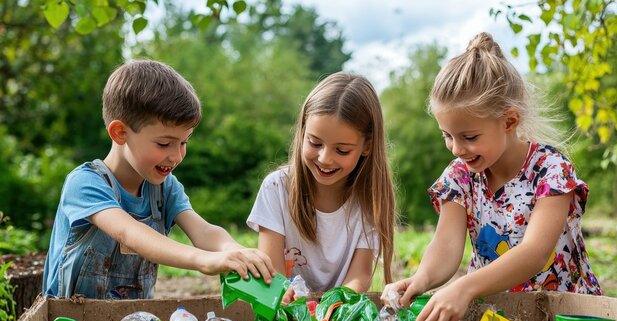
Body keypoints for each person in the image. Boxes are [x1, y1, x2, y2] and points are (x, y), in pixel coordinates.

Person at [382, 32, 601, 321]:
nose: (457, 149)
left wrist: (464, 287)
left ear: (509, 121)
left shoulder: (550, 170)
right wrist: (422, 279)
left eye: (469, 137)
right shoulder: (460, 176)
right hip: (496, 319)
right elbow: (446, 245)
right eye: (448, 136)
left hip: (565, 318)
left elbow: (535, 253)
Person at [43, 60, 274, 299]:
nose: (176, 156)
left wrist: (234, 251)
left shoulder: (165, 187)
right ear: (120, 133)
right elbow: (129, 233)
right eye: (164, 143)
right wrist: (203, 260)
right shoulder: (85, 183)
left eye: (184, 142)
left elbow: (203, 230)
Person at [247, 72, 396, 303]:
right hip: (285, 311)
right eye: (315, 143)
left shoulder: (369, 200)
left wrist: (331, 307)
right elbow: (274, 275)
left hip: (338, 312)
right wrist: (293, 305)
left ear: (366, 146)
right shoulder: (276, 188)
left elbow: (360, 275)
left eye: (342, 150)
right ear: (303, 131)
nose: (325, 158)